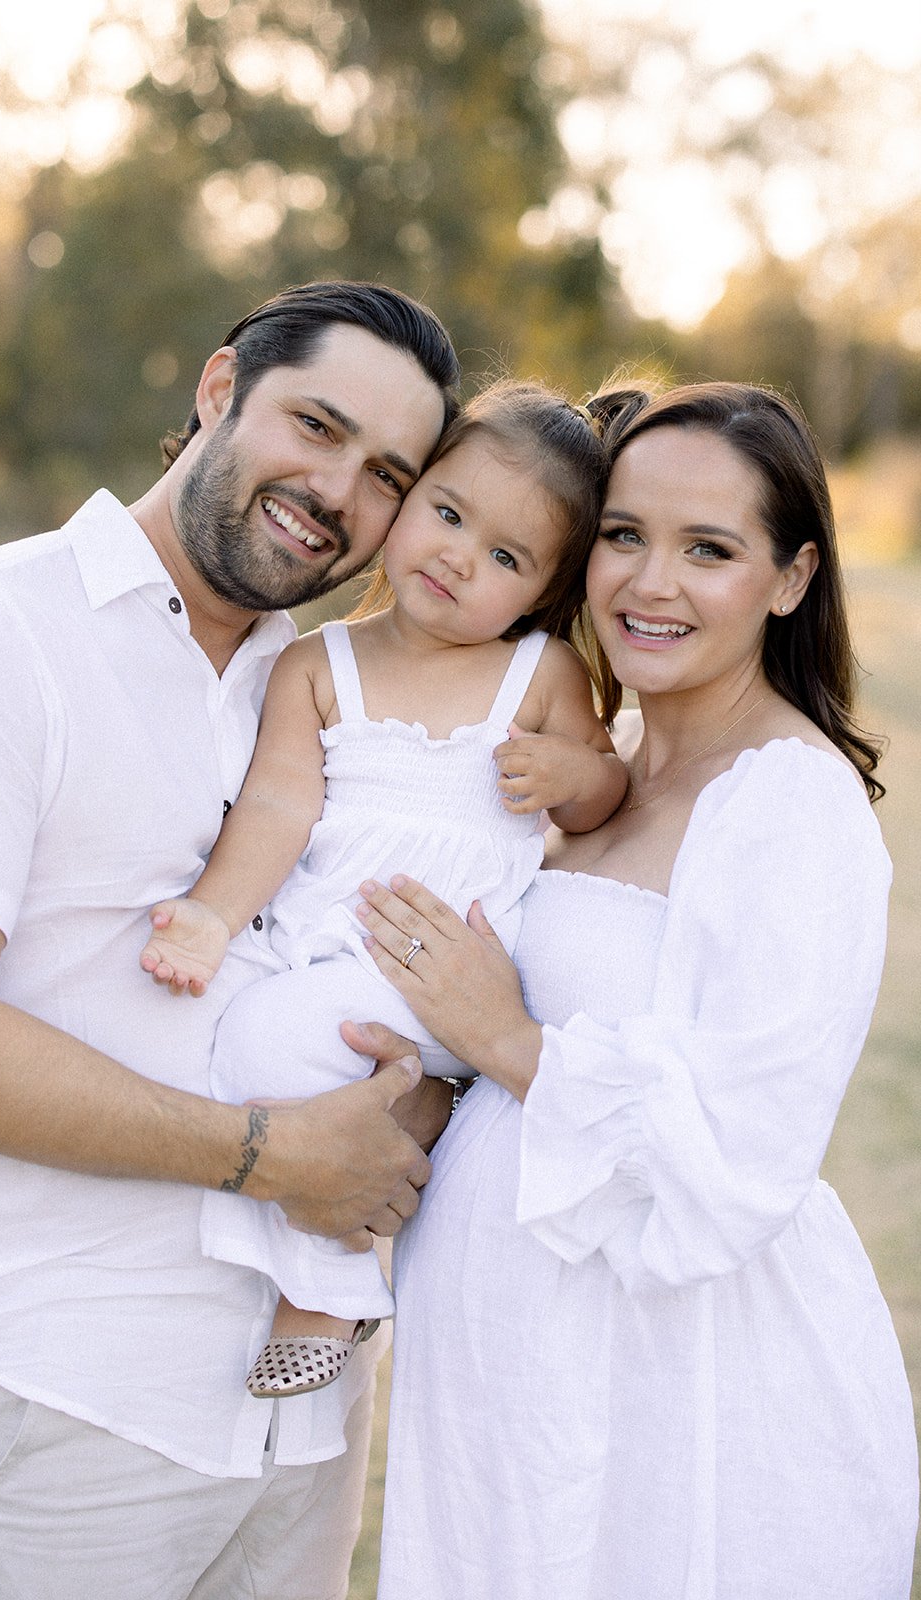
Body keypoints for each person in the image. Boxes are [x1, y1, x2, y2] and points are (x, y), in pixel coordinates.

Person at [0, 281, 464, 1600]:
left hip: (305, 1423)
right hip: (67, 1408)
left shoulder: (328, 692)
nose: (334, 490)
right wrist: (272, 1158)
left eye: (386, 475)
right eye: (314, 424)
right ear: (217, 391)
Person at [356, 382, 919, 1598]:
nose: (648, 584)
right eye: (623, 535)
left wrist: (504, 1039)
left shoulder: (787, 805)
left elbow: (743, 1154)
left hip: (690, 1410)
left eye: (707, 549)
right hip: (518, 1403)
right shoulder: (589, 772)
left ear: (789, 577)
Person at [138, 381, 627, 1400]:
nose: (457, 557)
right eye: (447, 514)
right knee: (232, 1029)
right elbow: (274, 808)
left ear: (543, 589)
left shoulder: (534, 672)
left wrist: (571, 776)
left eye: (505, 556)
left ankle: (329, 1288)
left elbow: (601, 787)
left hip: (453, 960)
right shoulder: (318, 663)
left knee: (263, 1042)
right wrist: (212, 914)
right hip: (332, 944)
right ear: (407, 498)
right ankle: (416, 1120)